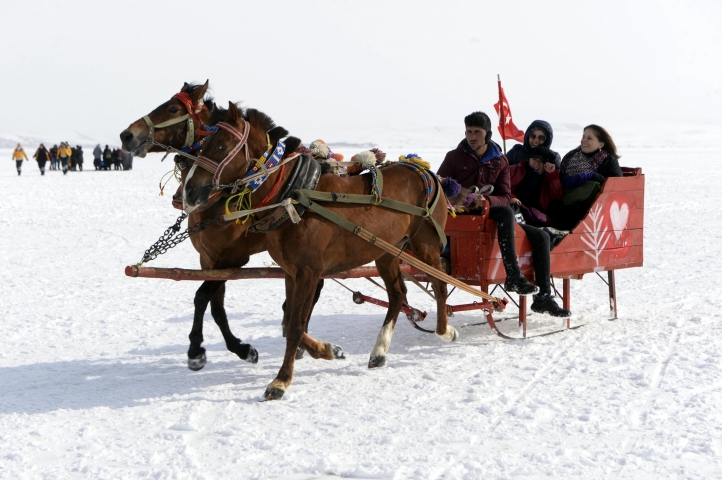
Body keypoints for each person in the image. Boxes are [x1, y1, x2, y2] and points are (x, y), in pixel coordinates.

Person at [438, 111, 571, 317]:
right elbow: (440, 186)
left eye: (477, 132)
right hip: (461, 217)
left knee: (541, 236)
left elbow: (505, 195)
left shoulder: (499, 161)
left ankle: (543, 297)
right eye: (468, 132)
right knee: (507, 213)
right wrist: (463, 199)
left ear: (488, 134)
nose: (472, 137)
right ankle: (513, 275)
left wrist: (485, 201)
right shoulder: (453, 157)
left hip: (490, 215)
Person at [550, 125, 623, 230]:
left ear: (601, 144)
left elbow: (617, 187)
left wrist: (592, 176)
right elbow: (560, 182)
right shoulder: (571, 157)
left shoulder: (608, 161)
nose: (584, 140)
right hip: (568, 200)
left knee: (574, 211)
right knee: (554, 207)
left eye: (589, 138)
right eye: (583, 137)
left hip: (596, 209)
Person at [509, 147, 563, 227]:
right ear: (529, 159)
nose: (536, 164)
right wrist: (511, 197)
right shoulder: (514, 170)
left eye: (541, 161)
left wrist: (552, 175)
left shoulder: (547, 179)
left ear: (546, 164)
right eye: (534, 159)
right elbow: (500, 187)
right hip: (514, 209)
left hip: (535, 216)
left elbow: (556, 197)